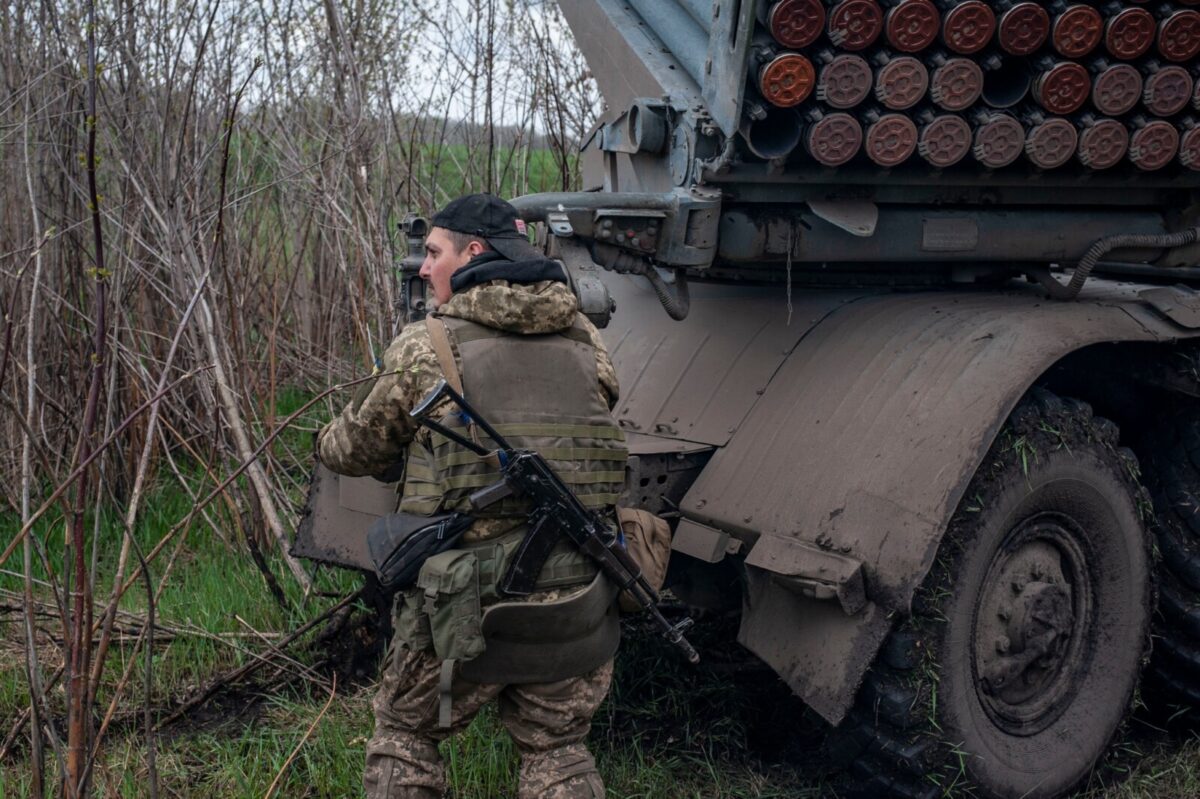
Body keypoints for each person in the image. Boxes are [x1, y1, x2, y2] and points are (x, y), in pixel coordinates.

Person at [317, 193, 627, 799]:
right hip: (575, 598)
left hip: (458, 609)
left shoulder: (424, 345)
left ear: (473, 253)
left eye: (434, 253)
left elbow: (355, 452)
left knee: (405, 739)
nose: (424, 268)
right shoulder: (586, 340)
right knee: (558, 752)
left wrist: (328, 434)